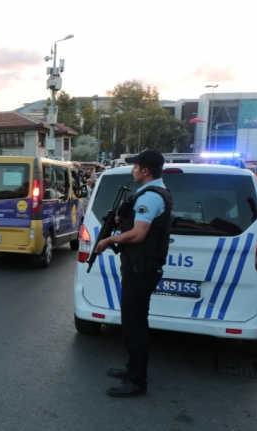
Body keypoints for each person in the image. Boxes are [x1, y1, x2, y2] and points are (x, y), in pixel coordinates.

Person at [94, 149, 173, 398]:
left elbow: (139, 234)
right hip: (140, 266)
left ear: (145, 170)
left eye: (135, 166)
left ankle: (137, 382)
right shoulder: (155, 192)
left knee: (134, 325)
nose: (132, 170)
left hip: (141, 269)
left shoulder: (149, 198)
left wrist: (109, 240)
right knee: (131, 323)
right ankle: (131, 368)